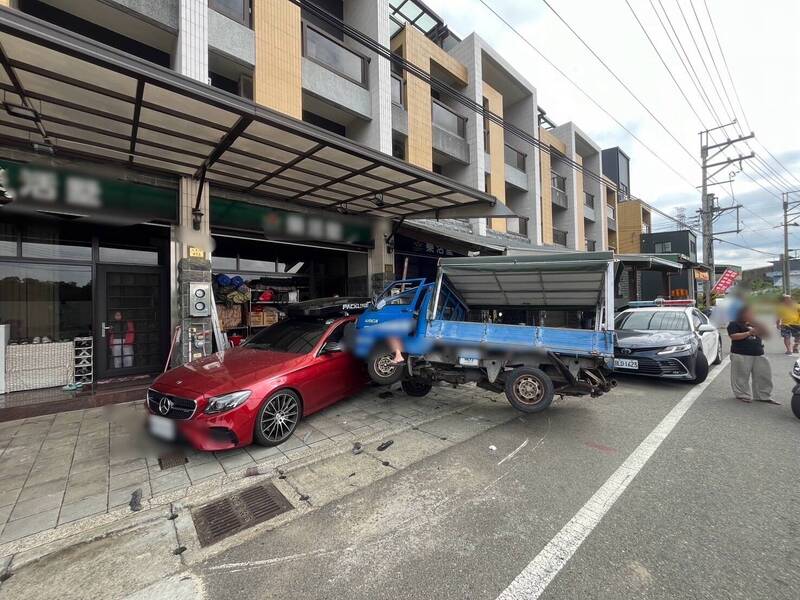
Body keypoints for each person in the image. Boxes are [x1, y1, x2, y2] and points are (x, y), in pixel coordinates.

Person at [727, 305, 778, 404]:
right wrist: (749, 333)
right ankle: (742, 395)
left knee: (764, 375)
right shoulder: (734, 323)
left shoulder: (756, 323)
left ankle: (763, 396)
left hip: (759, 353)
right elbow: (733, 336)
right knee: (741, 376)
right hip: (741, 353)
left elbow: (766, 335)